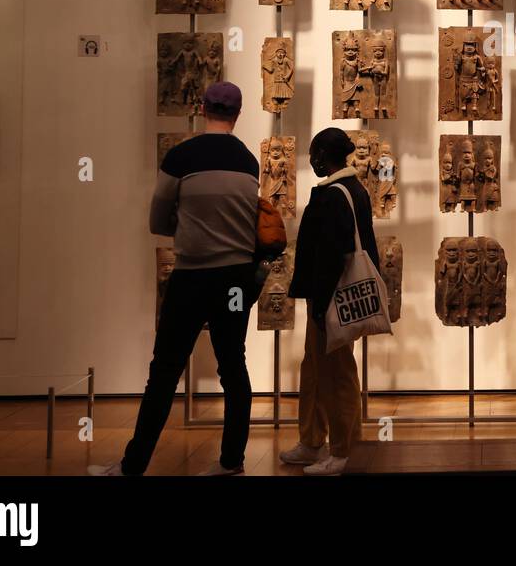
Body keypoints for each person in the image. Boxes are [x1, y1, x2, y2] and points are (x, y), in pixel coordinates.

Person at [89, 82, 260, 476]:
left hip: (192, 276)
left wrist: (189, 228)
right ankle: (232, 461)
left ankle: (133, 465)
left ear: (202, 108)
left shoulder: (181, 156)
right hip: (235, 279)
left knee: (165, 371)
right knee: (233, 368)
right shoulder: (248, 161)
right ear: (238, 114)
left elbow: (157, 221)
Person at [278, 127, 379, 476]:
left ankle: (343, 449)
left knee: (337, 374)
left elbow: (334, 254)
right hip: (325, 296)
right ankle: (311, 440)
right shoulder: (347, 190)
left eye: (313, 154)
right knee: (315, 368)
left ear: (323, 155)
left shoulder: (338, 194)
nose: (311, 160)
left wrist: (321, 303)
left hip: (332, 297)